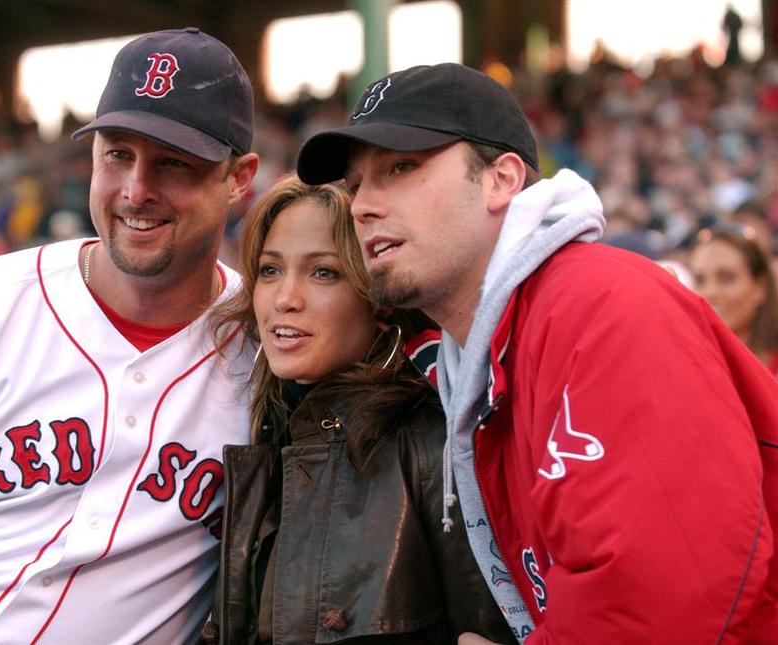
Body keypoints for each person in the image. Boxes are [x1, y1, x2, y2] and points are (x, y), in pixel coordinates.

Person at [296, 63, 778, 644]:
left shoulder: (600, 305)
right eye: (355, 185)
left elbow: (664, 608)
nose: (362, 206)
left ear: (501, 180)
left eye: (400, 168)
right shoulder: (488, 346)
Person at [0, 28, 258, 644]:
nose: (136, 190)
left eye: (173, 162)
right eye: (117, 155)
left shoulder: (269, 349)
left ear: (240, 178)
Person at [203, 176, 513, 644]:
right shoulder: (262, 428)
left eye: (323, 273)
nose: (285, 298)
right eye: (270, 270)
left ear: (380, 297)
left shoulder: (437, 446)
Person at [691, 224, 778, 376]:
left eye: (726, 278)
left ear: (761, 286)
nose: (710, 292)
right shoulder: (690, 365)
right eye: (700, 280)